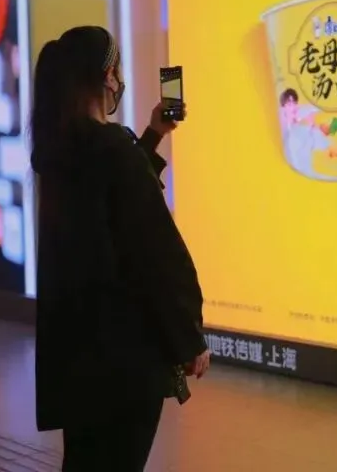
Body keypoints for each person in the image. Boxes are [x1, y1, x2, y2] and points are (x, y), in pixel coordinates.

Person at [30, 25, 208, 471]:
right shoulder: (112, 150)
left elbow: (109, 205)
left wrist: (151, 136)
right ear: (107, 76)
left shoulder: (63, 151)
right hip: (125, 362)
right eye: (119, 69)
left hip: (80, 358)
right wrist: (189, 336)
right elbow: (156, 255)